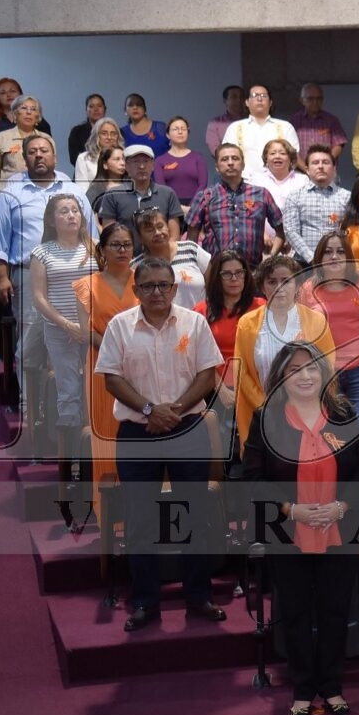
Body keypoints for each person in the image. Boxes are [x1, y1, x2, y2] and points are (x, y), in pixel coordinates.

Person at [242, 340, 359, 715]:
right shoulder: (266, 419)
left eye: (313, 367)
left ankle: (331, 686)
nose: (306, 375)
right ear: (282, 376)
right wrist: (292, 509)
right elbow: (251, 478)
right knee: (296, 612)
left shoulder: (342, 413)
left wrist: (341, 506)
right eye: (296, 369)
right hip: (288, 530)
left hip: (339, 528)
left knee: (335, 610)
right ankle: (302, 687)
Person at [95, 257, 225, 632]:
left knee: (194, 516)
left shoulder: (194, 322)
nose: (156, 292)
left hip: (187, 428)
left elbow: (207, 374)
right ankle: (145, 601)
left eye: (163, 285)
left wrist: (175, 410)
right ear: (136, 290)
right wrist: (151, 410)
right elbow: (112, 380)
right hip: (138, 432)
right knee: (140, 520)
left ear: (174, 287)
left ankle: (198, 596)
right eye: (148, 286)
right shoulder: (120, 326)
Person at [0, 134, 93, 394]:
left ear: (54, 157)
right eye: (32, 151)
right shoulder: (12, 193)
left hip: (75, 274)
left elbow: (92, 235)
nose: (39, 155)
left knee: (79, 339)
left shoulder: (72, 190)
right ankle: (31, 403)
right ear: (25, 159)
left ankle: (75, 399)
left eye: (44, 150)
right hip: (29, 274)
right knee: (32, 340)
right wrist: (1, 277)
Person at [29, 194, 96, 506]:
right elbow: (40, 298)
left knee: (96, 394)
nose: (71, 216)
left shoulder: (94, 248)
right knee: (69, 395)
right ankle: (69, 476)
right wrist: (67, 324)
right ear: (51, 219)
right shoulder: (42, 253)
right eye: (64, 211)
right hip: (60, 331)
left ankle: (95, 463)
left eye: (75, 210)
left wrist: (89, 326)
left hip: (93, 331)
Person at [230, 255, 337, 449]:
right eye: (272, 281)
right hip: (263, 414)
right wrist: (268, 408)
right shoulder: (247, 324)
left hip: (308, 413)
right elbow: (241, 373)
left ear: (297, 285)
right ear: (262, 287)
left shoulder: (317, 321)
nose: (279, 287)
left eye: (286, 280)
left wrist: (301, 407)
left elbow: (326, 367)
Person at [74, 224, 137, 501]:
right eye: (116, 245)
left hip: (142, 364)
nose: (122, 250)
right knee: (108, 436)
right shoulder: (87, 284)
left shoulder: (145, 280)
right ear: (102, 250)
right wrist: (115, 352)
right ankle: (112, 514)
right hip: (104, 366)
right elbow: (86, 331)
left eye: (127, 245)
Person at [297, 229, 359, 424]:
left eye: (340, 251)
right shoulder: (307, 289)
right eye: (328, 252)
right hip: (325, 373)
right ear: (319, 257)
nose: (334, 256)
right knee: (331, 434)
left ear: (349, 257)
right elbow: (304, 333)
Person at [192, 249, 264, 432]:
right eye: (227, 274)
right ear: (217, 277)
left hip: (257, 387)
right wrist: (221, 390)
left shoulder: (262, 307)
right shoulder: (201, 311)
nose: (234, 278)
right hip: (217, 390)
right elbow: (198, 358)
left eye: (239, 272)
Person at [186, 143, 284, 270]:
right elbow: (191, 241)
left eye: (235, 158)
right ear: (216, 166)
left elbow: (281, 231)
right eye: (225, 159)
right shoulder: (205, 196)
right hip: (216, 272)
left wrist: (270, 259)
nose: (230, 163)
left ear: (243, 165)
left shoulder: (261, 194)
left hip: (253, 271)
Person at [98, 145, 185, 248]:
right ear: (126, 166)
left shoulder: (167, 193)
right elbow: (109, 235)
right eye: (136, 162)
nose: (142, 166)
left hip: (161, 260)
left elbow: (174, 236)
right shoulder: (112, 195)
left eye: (146, 161)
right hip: (127, 259)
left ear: (153, 165)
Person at [281, 145, 350, 266]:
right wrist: (312, 258)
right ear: (307, 169)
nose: (320, 166)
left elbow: (350, 231)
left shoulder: (346, 197)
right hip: (303, 264)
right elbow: (291, 231)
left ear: (334, 168)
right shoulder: (295, 196)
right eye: (315, 162)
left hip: (336, 262)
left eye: (325, 162)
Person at [133, 207, 211, 309]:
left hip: (199, 321)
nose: (157, 233)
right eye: (149, 230)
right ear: (140, 238)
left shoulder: (191, 250)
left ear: (168, 227)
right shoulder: (136, 266)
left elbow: (212, 285)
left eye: (160, 226)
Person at [222, 85, 299, 177]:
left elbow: (293, 158)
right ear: (246, 102)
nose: (259, 99)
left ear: (270, 102)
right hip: (244, 184)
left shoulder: (286, 127)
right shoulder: (234, 128)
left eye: (264, 96)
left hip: (278, 184)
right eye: (255, 95)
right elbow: (226, 157)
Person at [0, 95, 50, 199]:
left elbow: (51, 166)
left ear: (38, 116)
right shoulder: (1, 138)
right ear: (15, 113)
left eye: (33, 109)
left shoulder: (46, 139)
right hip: (8, 194)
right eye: (24, 108)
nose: (28, 112)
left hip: (39, 195)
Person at [288, 82, 348, 163]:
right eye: (310, 99)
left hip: (326, 170)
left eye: (318, 98)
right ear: (302, 100)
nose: (315, 102)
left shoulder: (332, 120)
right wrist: (305, 168)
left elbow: (339, 144)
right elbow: (290, 149)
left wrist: (327, 162)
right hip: (300, 171)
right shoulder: (294, 121)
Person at [154, 117, 208, 205]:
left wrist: (192, 207)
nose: (180, 132)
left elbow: (203, 185)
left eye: (183, 129)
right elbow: (161, 188)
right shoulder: (160, 160)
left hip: (196, 206)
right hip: (170, 206)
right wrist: (176, 208)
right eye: (175, 129)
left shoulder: (198, 158)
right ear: (168, 134)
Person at [248, 138, 309, 216]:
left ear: (291, 158)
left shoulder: (302, 180)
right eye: (272, 153)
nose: (277, 156)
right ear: (266, 159)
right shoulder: (256, 180)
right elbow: (249, 209)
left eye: (282, 153)